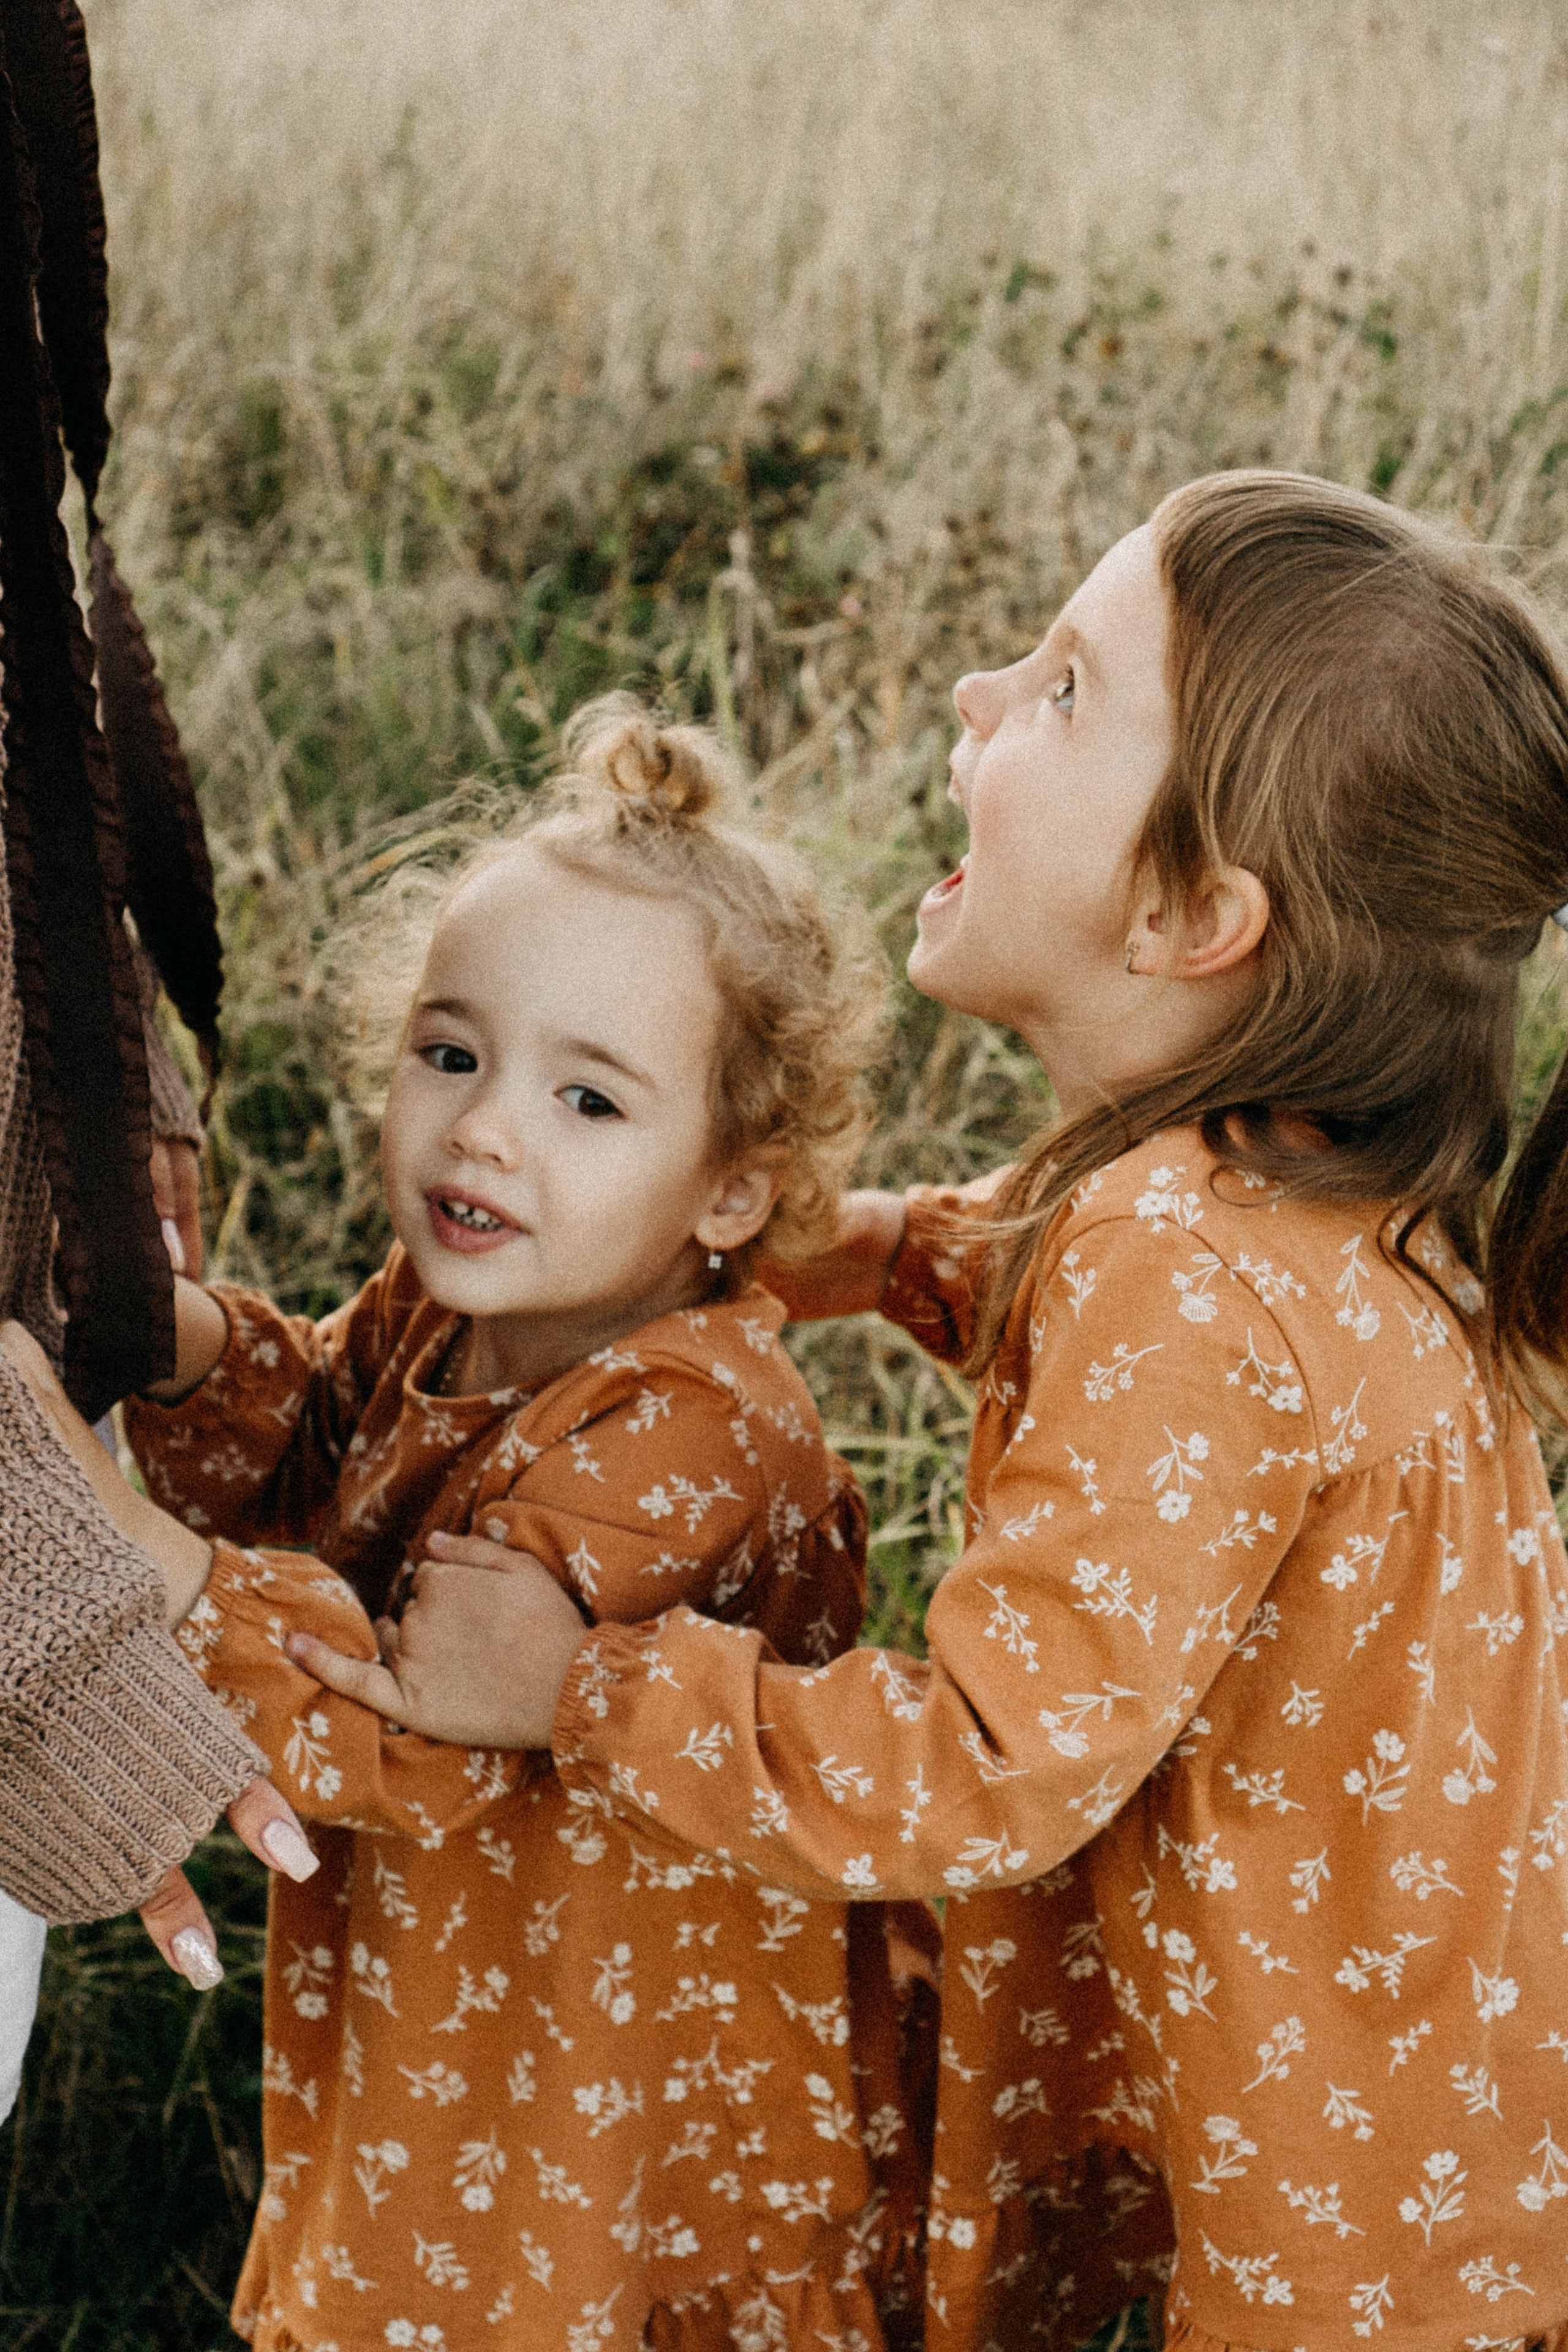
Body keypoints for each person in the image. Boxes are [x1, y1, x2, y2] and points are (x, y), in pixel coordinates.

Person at [298, 473, 1568, 2351]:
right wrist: (880, 1250)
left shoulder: (1191, 1282)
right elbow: (1085, 1320)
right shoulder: (1291, 1193)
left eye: (1060, 689)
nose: (977, 696)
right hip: (1422, 2114)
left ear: (1190, 913)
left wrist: (582, 1688)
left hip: (1346, 2224)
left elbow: (987, 1761)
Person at [88, 704, 935, 2351]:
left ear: (732, 1191)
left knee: (560, 2298)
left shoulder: (702, 1429)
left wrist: (109, 1532)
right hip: (469, 1999)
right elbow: (326, 1435)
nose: (484, 1129)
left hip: (618, 2065)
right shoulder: (455, 1305)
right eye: (453, 1054)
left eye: (588, 1102)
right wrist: (171, 1339)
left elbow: (420, 1730)